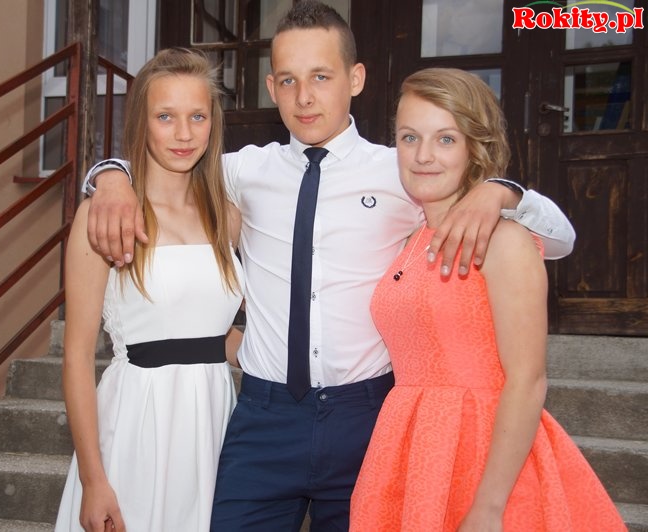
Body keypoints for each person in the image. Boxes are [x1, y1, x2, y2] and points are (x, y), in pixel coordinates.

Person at [81, 3, 576, 530]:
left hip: (365, 417)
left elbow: (559, 238)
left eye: (321, 76)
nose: (305, 97)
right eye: (289, 80)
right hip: (264, 416)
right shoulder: (245, 170)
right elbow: (165, 161)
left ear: (355, 79)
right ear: (271, 87)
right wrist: (108, 175)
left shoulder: (403, 169)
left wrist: (502, 191)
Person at [349, 67, 625, 532]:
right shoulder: (410, 238)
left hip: (484, 451)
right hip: (408, 448)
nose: (423, 156)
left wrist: (489, 507)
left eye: (446, 139)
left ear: (475, 146)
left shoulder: (505, 240)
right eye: (409, 137)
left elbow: (528, 380)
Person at [53, 48, 245, 532]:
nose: (184, 134)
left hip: (213, 423)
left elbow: (214, 334)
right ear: (142, 122)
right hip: (137, 426)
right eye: (166, 117)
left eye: (197, 116)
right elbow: (77, 357)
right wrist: (94, 480)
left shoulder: (227, 216)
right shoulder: (105, 217)